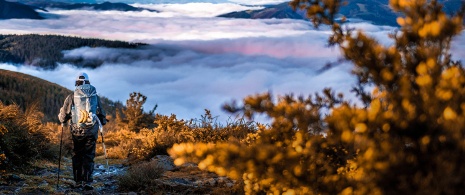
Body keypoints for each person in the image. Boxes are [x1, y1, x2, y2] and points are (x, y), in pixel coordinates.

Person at [58, 72, 106, 190]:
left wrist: (63, 119)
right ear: (88, 82)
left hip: (77, 130)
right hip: (92, 130)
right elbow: (102, 115)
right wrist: (102, 122)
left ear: (77, 83)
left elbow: (64, 116)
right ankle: (87, 181)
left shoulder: (71, 97)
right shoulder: (94, 96)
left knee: (78, 153)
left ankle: (78, 181)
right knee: (89, 154)